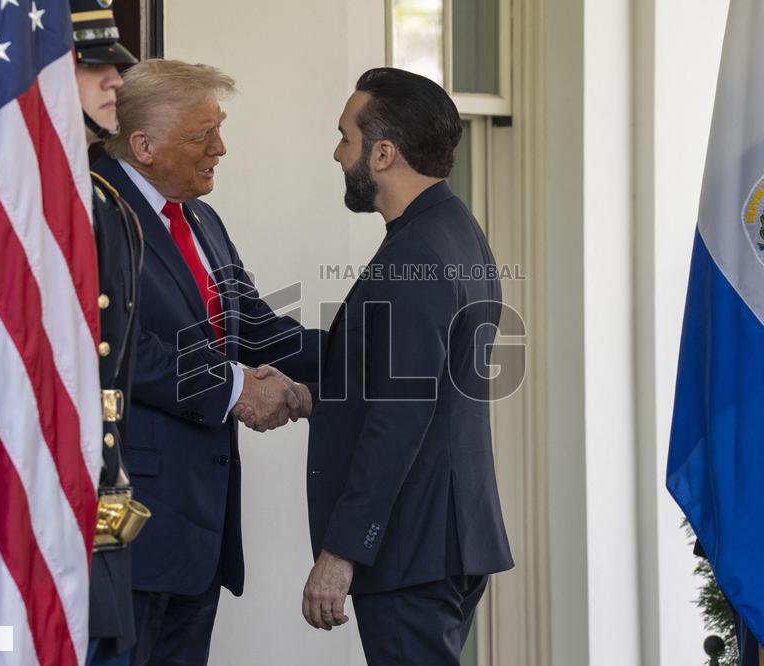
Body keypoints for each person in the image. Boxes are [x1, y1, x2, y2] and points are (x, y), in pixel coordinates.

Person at [92, 59, 323, 665]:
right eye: (202, 135)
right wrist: (232, 389)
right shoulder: (90, 207)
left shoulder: (199, 215)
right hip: (126, 525)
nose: (220, 148)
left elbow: (258, 327)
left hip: (199, 528)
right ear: (142, 145)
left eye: (218, 129)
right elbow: (116, 346)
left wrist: (374, 351)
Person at [300, 68, 514, 665]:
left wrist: (343, 551)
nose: (338, 153)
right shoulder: (456, 231)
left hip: (409, 551)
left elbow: (401, 414)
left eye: (346, 138)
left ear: (384, 153)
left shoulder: (414, 253)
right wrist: (308, 392)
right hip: (445, 540)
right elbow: (402, 376)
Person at [69, 2, 145, 664]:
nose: (115, 80)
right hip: (43, 506)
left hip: (102, 498)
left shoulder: (102, 199)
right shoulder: (21, 202)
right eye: (91, 65)